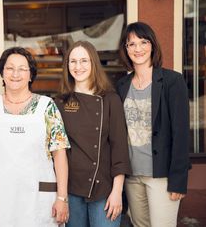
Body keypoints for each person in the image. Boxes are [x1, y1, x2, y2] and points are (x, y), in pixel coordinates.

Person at [116, 22, 190, 227]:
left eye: (143, 42)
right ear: (125, 49)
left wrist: (179, 180)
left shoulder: (172, 81)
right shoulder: (121, 85)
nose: (138, 49)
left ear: (153, 45)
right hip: (132, 176)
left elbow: (181, 133)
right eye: (131, 44)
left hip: (161, 176)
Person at [0, 47, 70, 226]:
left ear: (31, 75)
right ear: (2, 72)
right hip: (1, 197)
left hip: (41, 198)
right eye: (9, 68)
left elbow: (60, 155)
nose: (15, 74)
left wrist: (62, 198)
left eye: (22, 69)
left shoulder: (47, 107)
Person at [55, 40, 131, 227]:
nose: (78, 66)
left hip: (104, 190)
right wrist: (61, 196)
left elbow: (119, 148)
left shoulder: (110, 100)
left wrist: (117, 192)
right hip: (71, 190)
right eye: (72, 61)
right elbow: (57, 150)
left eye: (84, 61)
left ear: (93, 64)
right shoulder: (60, 102)